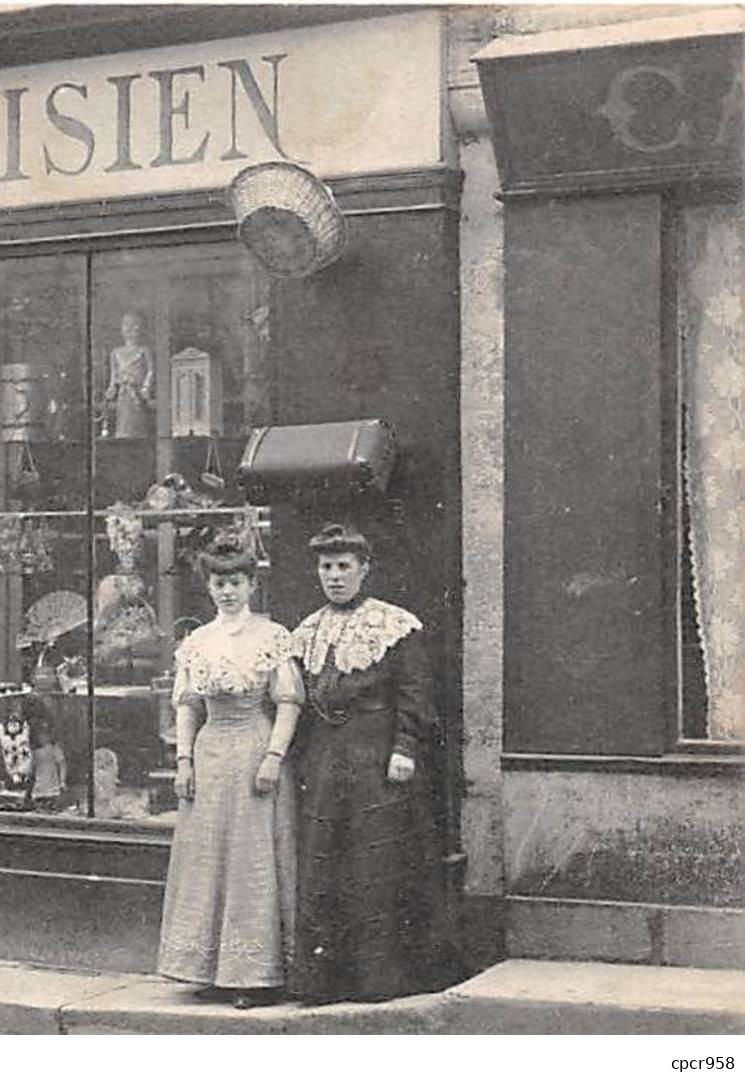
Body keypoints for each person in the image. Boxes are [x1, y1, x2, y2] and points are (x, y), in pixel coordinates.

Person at [287, 523, 447, 1004]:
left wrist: (405, 748)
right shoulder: (308, 630)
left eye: (343, 566)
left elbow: (415, 694)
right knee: (324, 862)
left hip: (377, 758)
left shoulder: (393, 626)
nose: (334, 577)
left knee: (374, 861)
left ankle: (381, 981)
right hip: (324, 763)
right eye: (325, 567)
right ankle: (324, 982)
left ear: (364, 570)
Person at [156, 529, 303, 1008]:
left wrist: (274, 757)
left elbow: (287, 703)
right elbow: (187, 706)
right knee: (209, 857)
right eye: (218, 582)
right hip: (211, 752)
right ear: (209, 587)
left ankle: (253, 974)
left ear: (251, 585)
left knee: (251, 859)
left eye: (235, 581)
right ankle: (210, 969)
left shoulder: (272, 637)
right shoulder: (197, 642)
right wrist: (182, 761)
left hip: (255, 748)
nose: (227, 590)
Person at [102, 311, 154, 439]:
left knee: (137, 421)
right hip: (123, 393)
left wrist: (146, 388)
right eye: (126, 325)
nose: (130, 329)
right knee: (123, 421)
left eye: (135, 325)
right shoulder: (116, 352)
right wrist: (111, 389)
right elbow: (114, 375)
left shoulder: (143, 351)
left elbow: (150, 371)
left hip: (137, 393)